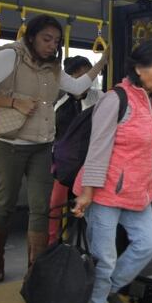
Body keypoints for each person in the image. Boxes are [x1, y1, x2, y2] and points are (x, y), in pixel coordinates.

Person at [0, 14, 108, 282]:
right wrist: (13, 102)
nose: (52, 45)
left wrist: (102, 62)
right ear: (31, 37)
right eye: (46, 39)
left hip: (42, 146)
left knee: (40, 208)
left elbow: (77, 87)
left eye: (56, 41)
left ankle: (35, 268)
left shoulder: (53, 68)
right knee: (4, 205)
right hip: (8, 144)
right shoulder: (10, 57)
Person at [70, 40, 152, 303]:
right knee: (105, 258)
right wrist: (87, 192)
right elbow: (98, 148)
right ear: (140, 69)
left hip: (137, 192)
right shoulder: (116, 99)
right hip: (103, 191)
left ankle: (108, 289)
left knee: (149, 244)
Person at [47, 55, 102, 244]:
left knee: (90, 208)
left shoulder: (100, 98)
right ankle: (51, 245)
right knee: (55, 204)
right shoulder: (58, 103)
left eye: (90, 74)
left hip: (89, 163)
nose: (88, 80)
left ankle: (89, 245)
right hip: (64, 164)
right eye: (82, 76)